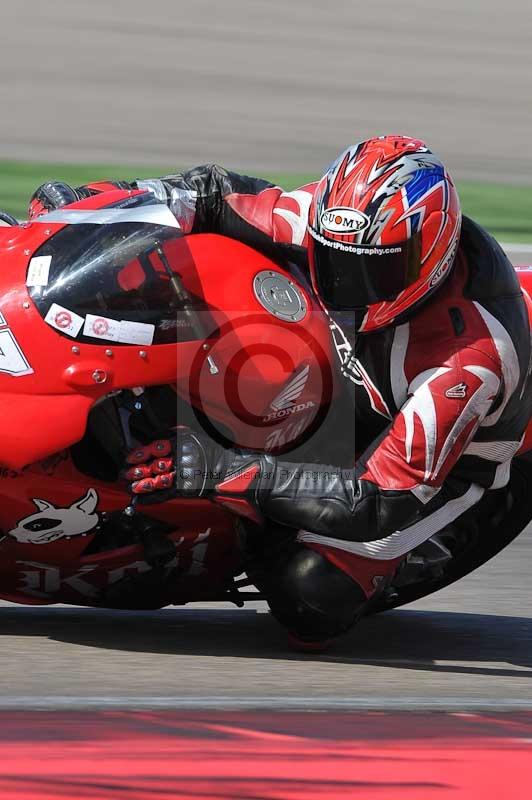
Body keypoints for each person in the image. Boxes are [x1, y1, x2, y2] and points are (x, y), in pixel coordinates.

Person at [29, 136, 532, 646]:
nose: (344, 282)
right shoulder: (330, 224)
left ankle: (371, 562)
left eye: (372, 270)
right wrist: (92, 204)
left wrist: (220, 471)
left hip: (426, 472)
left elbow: (379, 499)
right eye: (333, 259)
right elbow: (208, 195)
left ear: (431, 256)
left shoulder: (470, 359)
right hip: (344, 385)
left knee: (309, 593)